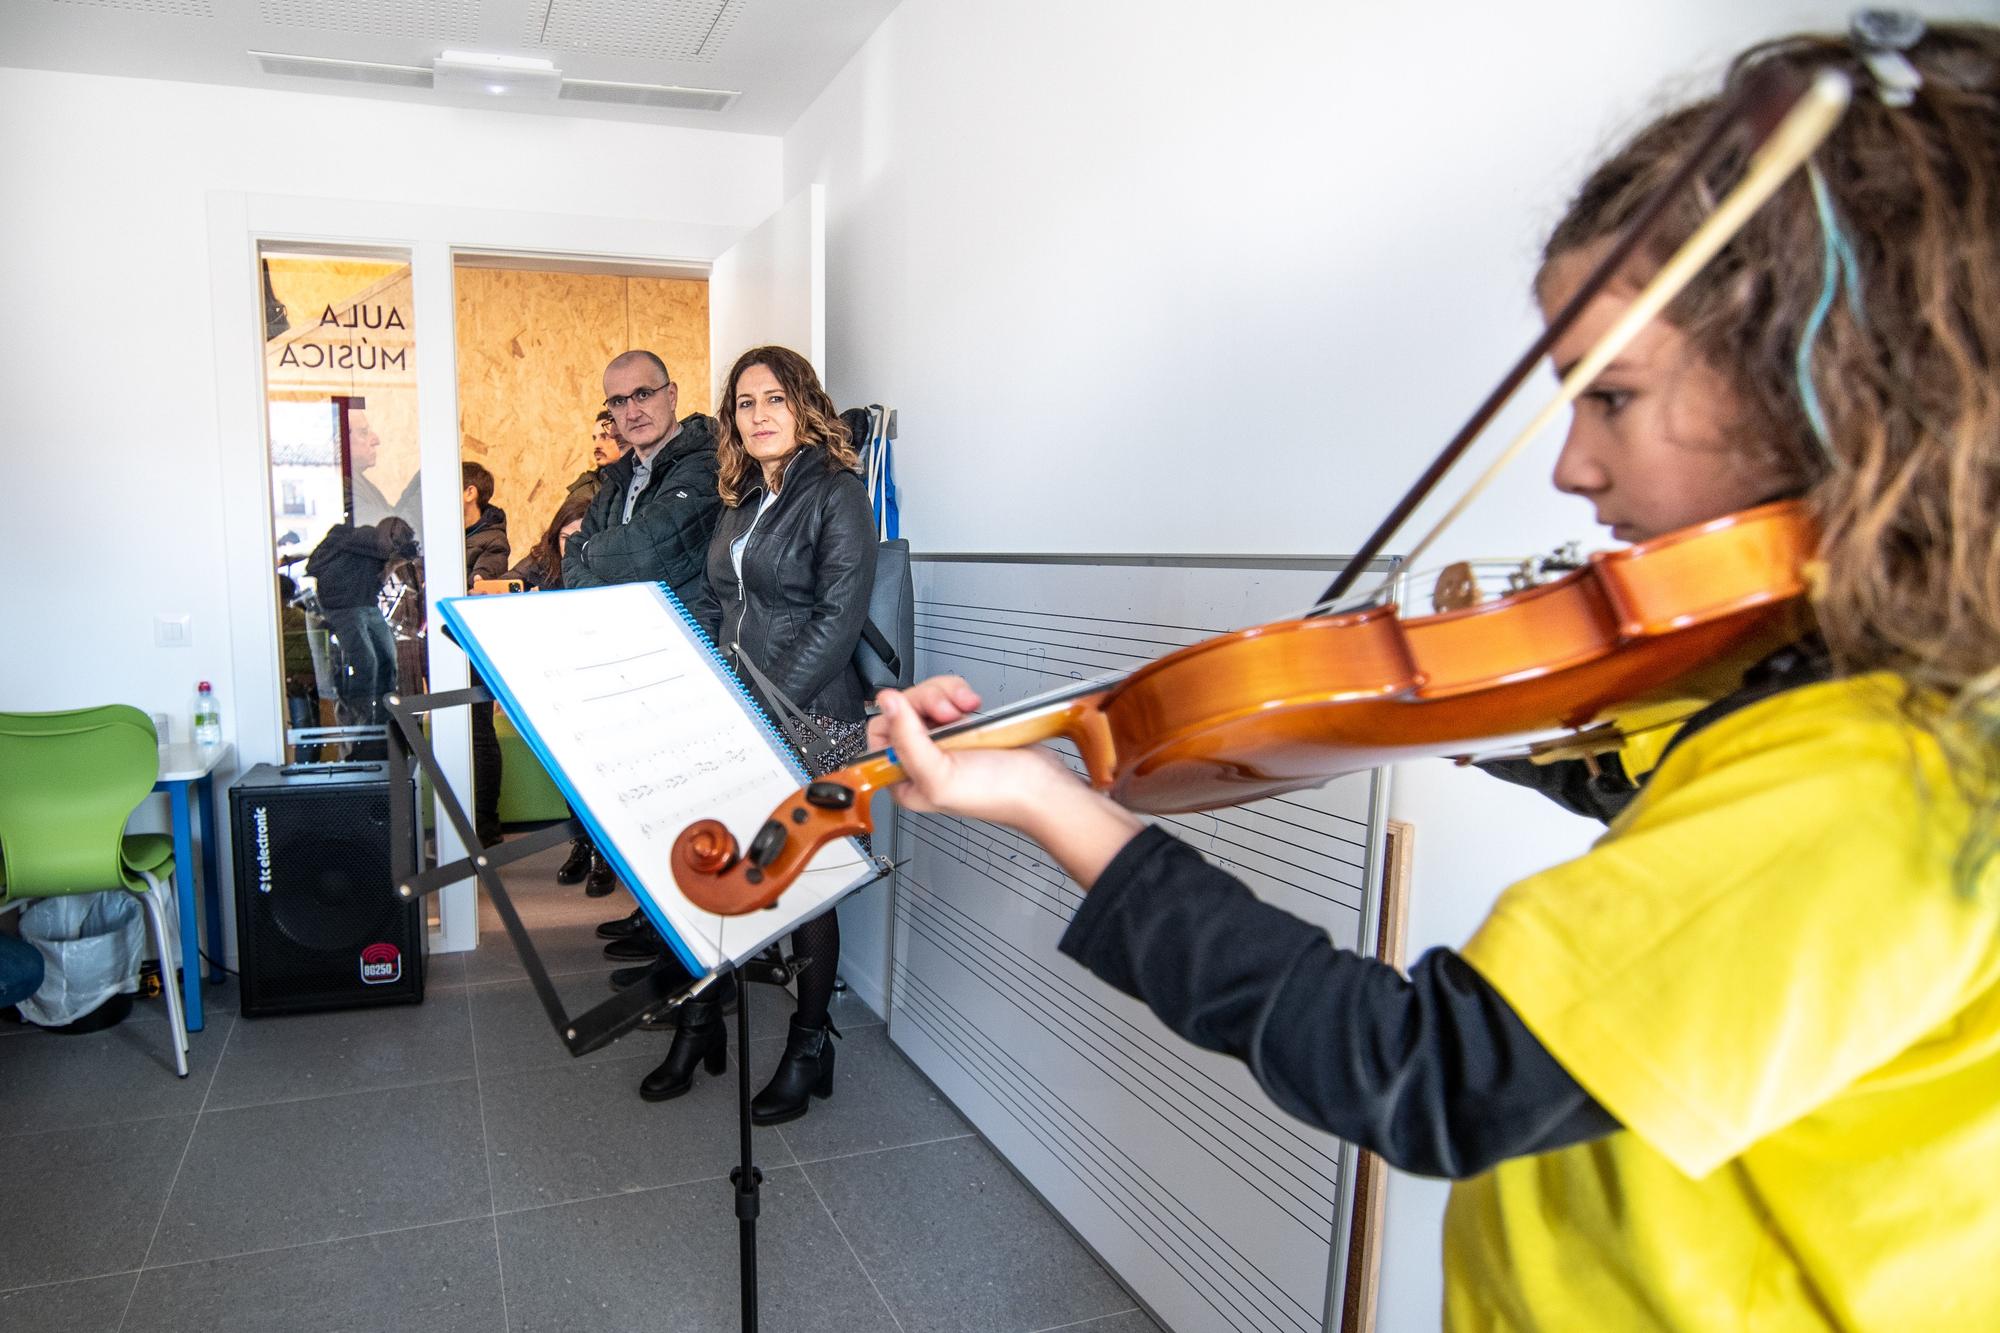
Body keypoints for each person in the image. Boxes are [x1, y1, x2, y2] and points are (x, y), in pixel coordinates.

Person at [866, 21, 2000, 1329]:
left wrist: (1060, 809)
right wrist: (1482, 707)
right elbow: (1677, 787)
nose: (1573, 466)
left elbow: (1424, 1071)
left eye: (1612, 398)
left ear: (1840, 390)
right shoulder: (1855, 690)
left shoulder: (1874, 775)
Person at [643, 345, 878, 1115]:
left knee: (805, 888)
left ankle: (811, 1046)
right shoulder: (743, 496)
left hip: (812, 719)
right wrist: (715, 681)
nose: (759, 414)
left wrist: (765, 711)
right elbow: (721, 600)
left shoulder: (837, 492)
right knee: (716, 869)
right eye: (745, 403)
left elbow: (838, 619)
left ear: (803, 403)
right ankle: (702, 1018)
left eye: (773, 398)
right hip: (742, 710)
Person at [565, 353, 725, 955]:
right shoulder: (620, 478)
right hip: (631, 658)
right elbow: (575, 557)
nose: (631, 410)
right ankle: (657, 917)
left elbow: (641, 557)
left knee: (689, 809)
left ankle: (689, 947)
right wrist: (584, 561)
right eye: (617, 401)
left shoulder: (706, 464)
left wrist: (585, 558)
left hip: (686, 660)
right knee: (651, 806)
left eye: (642, 394)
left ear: (672, 393)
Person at [504, 488, 619, 895]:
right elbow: (503, 587)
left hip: (601, 682)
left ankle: (606, 854)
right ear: (555, 536)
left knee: (603, 773)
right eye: (567, 536)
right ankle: (582, 843)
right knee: (569, 773)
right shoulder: (542, 563)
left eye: (583, 535)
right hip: (558, 682)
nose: (574, 544)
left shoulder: (606, 565)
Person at [306, 514, 417, 739]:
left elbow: (372, 585)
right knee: (369, 662)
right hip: (344, 608)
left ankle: (379, 720)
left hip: (364, 605)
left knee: (386, 659)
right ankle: (365, 723)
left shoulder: (371, 547)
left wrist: (394, 562)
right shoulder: (357, 540)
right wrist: (392, 558)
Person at [463, 462, 511, 847]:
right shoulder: (448, 533)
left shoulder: (491, 537)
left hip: (473, 645)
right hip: (443, 647)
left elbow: (487, 576)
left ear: (470, 493)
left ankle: (486, 826)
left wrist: (478, 582)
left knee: (479, 732)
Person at [563, 410, 627, 513]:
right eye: (594, 438)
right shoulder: (583, 493)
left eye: (604, 437)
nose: (596, 446)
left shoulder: (645, 480)